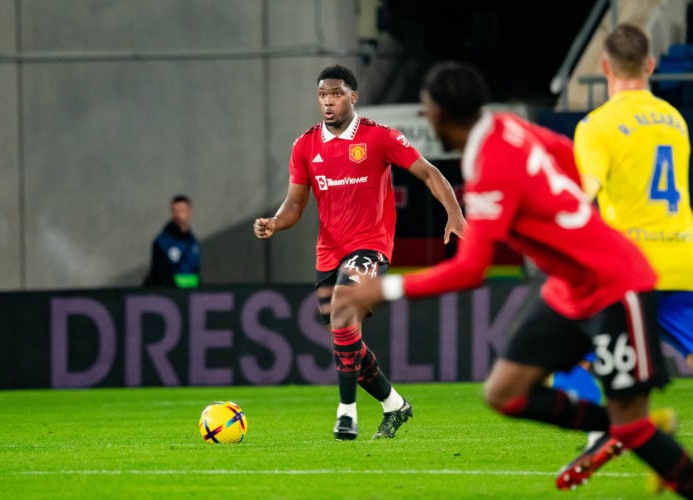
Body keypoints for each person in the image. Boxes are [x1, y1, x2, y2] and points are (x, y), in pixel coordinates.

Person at [335, 60, 693, 497]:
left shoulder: (492, 167)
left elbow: (470, 270)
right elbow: (566, 154)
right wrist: (568, 215)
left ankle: (638, 437)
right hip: (569, 289)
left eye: (427, 110)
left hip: (616, 286)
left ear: (439, 114)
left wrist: (386, 287)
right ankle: (613, 428)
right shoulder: (506, 126)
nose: (427, 117)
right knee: (505, 393)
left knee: (634, 425)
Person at [253, 64, 466, 440]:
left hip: (371, 245)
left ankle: (346, 413)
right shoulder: (305, 145)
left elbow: (430, 173)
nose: (328, 101)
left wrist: (455, 213)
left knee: (342, 310)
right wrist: (274, 222)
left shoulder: (380, 137)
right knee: (345, 335)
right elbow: (295, 204)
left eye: (335, 94)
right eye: (322, 95)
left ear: (352, 96)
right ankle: (395, 406)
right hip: (328, 254)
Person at [551, 22, 693, 492]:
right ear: (651, 65)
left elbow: (583, 195)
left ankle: (604, 432)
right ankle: (653, 442)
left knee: (568, 342)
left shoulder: (598, 125)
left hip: (631, 266)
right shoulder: (675, 119)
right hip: (683, 259)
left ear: (606, 67)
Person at [143, 194, 201, 288]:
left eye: (182, 211)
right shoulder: (162, 242)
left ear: (189, 212)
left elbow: (196, 271)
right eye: (175, 211)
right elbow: (161, 274)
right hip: (172, 294)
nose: (179, 215)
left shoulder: (193, 242)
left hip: (190, 295)